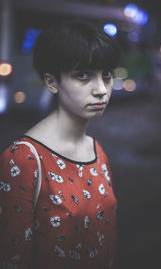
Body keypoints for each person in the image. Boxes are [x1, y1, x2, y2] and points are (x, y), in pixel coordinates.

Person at [0, 20, 121, 269]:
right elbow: (12, 258)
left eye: (106, 75)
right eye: (83, 76)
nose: (101, 90)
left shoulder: (97, 151)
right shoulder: (23, 159)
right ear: (52, 82)